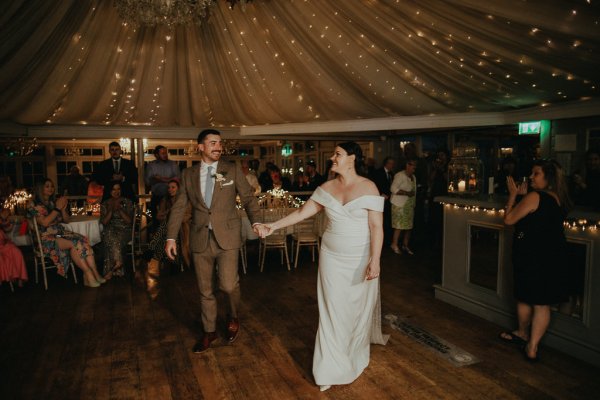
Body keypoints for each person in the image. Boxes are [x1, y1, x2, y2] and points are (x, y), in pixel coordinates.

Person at [258, 141, 388, 391]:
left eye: (337, 154)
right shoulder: (326, 188)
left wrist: (375, 260)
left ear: (352, 158)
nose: (332, 158)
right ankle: (328, 368)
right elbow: (301, 214)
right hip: (331, 258)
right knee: (331, 312)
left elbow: (376, 227)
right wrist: (272, 226)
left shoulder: (368, 187)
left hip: (360, 259)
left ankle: (353, 357)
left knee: (355, 312)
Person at [166, 129, 262, 353]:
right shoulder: (188, 174)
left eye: (219, 143)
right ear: (200, 146)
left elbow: (248, 198)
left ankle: (233, 315)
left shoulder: (232, 169)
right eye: (212, 143)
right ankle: (209, 332)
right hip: (200, 238)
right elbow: (180, 206)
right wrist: (171, 237)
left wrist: (256, 222)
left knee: (228, 286)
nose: (218, 147)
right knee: (204, 290)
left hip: (227, 237)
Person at [499, 159, 572, 362]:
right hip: (555, 255)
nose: (531, 177)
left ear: (547, 177)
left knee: (524, 296)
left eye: (536, 174)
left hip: (532, 255)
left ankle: (523, 333)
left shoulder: (534, 196)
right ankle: (533, 347)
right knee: (543, 303)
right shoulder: (558, 198)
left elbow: (509, 219)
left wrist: (513, 195)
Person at [27, 179, 105, 287]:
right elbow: (45, 223)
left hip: (59, 233)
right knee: (75, 243)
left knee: (82, 239)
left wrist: (63, 209)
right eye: (47, 186)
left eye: (52, 186)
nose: (51, 188)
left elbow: (67, 220)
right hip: (46, 237)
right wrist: (57, 208)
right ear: (40, 189)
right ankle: (88, 274)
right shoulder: (33, 204)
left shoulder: (53, 202)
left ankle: (94, 273)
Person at [143, 178, 191, 299]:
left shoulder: (185, 200)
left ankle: (151, 249)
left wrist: (171, 216)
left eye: (173, 187)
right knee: (167, 229)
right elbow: (159, 216)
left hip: (184, 227)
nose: (170, 190)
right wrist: (170, 214)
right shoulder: (166, 200)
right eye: (169, 188)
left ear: (179, 188)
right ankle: (173, 263)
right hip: (170, 231)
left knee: (167, 227)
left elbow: (187, 216)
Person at [99, 181, 134, 279]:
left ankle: (110, 270)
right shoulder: (105, 203)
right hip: (110, 229)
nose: (116, 191)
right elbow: (105, 222)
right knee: (109, 234)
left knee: (110, 238)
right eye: (114, 189)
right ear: (110, 191)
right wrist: (111, 210)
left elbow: (129, 221)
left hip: (125, 230)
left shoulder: (127, 202)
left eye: (118, 189)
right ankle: (118, 264)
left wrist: (120, 209)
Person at [144, 145, 180, 228]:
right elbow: (148, 182)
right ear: (156, 155)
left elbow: (178, 179)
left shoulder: (173, 164)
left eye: (166, 153)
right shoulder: (151, 166)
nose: (165, 155)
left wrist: (160, 179)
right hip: (156, 196)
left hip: (172, 197)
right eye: (163, 153)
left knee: (172, 221)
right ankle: (157, 239)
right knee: (156, 222)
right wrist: (168, 179)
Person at [390, 159, 417, 255]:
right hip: (399, 205)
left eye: (415, 166)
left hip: (409, 205)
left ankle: (405, 245)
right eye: (413, 165)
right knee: (399, 226)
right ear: (407, 165)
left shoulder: (413, 177)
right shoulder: (400, 175)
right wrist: (407, 193)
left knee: (409, 227)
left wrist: (413, 203)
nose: (414, 167)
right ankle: (394, 244)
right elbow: (393, 189)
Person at [0, 207, 28, 288]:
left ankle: (20, 277)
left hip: (3, 242)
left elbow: (7, 229)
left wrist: (4, 218)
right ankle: (11, 276)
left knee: (16, 252)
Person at [371, 156, 395, 245]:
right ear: (386, 163)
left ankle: (386, 240)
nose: (392, 165)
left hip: (389, 201)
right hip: (379, 199)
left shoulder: (392, 174)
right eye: (390, 163)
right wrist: (380, 194)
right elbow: (374, 184)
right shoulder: (378, 172)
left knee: (387, 220)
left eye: (393, 164)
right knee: (380, 220)